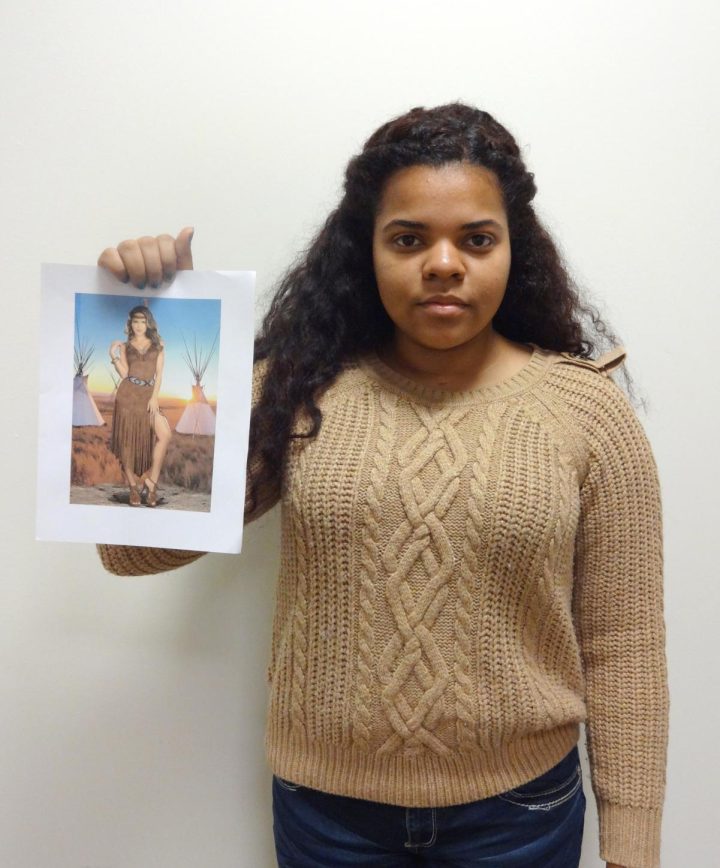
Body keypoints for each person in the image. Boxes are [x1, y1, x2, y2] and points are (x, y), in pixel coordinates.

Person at [95, 103, 668, 868]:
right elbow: (131, 550)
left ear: (512, 249)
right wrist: (171, 320)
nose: (442, 263)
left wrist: (634, 845)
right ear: (365, 250)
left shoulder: (587, 411)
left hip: (519, 815)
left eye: (475, 239)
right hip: (328, 815)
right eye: (408, 238)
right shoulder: (297, 390)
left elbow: (624, 644)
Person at [107, 305, 171, 506]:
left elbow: (159, 374)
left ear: (148, 323)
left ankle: (151, 484)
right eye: (135, 321)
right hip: (127, 396)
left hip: (148, 396)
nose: (139, 325)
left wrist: (154, 398)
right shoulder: (126, 347)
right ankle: (133, 487)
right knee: (127, 444)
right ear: (130, 323)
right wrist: (113, 355)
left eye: (143, 321)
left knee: (165, 435)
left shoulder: (158, 344)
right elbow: (125, 374)